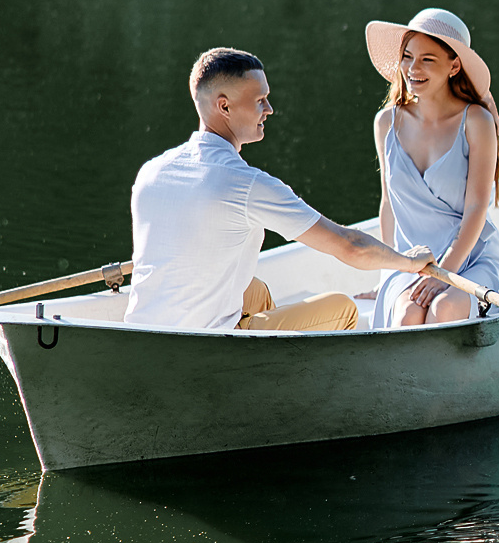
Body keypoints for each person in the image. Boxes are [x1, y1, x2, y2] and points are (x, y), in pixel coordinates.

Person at [126, 47, 430, 332]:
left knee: (253, 289)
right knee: (343, 307)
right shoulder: (246, 184)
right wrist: (409, 262)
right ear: (224, 106)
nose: (269, 109)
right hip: (208, 345)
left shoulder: (152, 171)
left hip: (145, 336)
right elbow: (348, 245)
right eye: (260, 100)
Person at [364, 8, 499, 328]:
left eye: (427, 59)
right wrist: (386, 272)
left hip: (472, 259)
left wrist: (447, 272)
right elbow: (388, 206)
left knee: (444, 310)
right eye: (407, 56)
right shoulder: (386, 122)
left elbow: (476, 208)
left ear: (454, 65)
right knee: (407, 315)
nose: (412, 68)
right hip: (411, 263)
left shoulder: (476, 121)